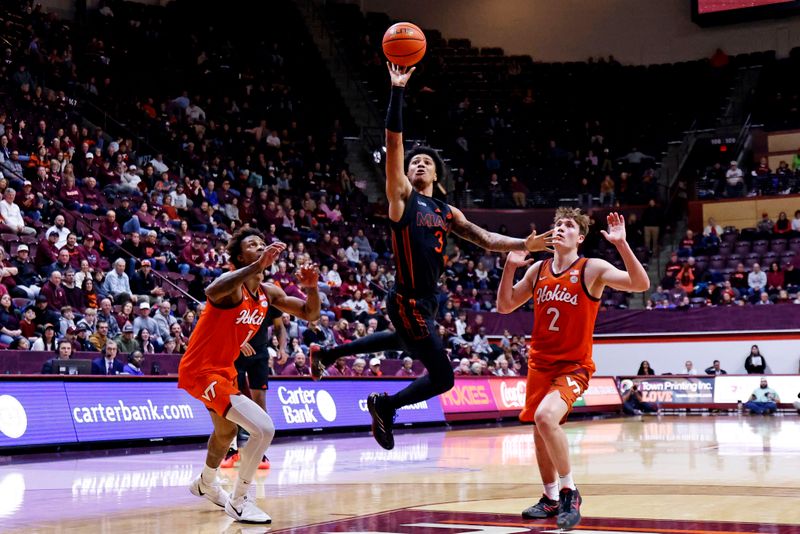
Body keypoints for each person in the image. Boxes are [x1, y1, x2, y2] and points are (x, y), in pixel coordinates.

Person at [308, 62, 550, 451]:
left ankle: (330, 352)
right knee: (443, 378)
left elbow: (486, 239)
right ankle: (385, 406)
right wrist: (397, 90)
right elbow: (395, 140)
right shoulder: (402, 197)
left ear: (437, 175)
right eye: (413, 162)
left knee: (405, 343)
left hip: (426, 301)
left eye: (426, 162)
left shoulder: (447, 212)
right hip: (407, 298)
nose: (418, 163)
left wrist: (526, 244)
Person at [495, 208, 649, 530]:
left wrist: (621, 245)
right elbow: (505, 305)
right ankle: (550, 497)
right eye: (557, 224)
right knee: (539, 432)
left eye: (568, 225)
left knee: (545, 418)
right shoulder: (537, 270)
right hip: (540, 363)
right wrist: (510, 267)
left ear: (580, 237)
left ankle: (569, 491)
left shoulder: (591, 268)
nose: (560, 228)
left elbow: (640, 283)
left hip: (573, 365)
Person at [177, 228, 320, 524]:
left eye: (262, 244)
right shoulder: (232, 288)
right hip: (202, 371)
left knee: (226, 433)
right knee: (264, 428)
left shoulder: (268, 292)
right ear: (240, 257)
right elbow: (211, 291)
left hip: (223, 370)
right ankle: (240, 500)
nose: (260, 246)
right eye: (252, 245)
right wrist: (257, 265)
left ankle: (205, 482)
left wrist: (312, 288)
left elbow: (309, 313)